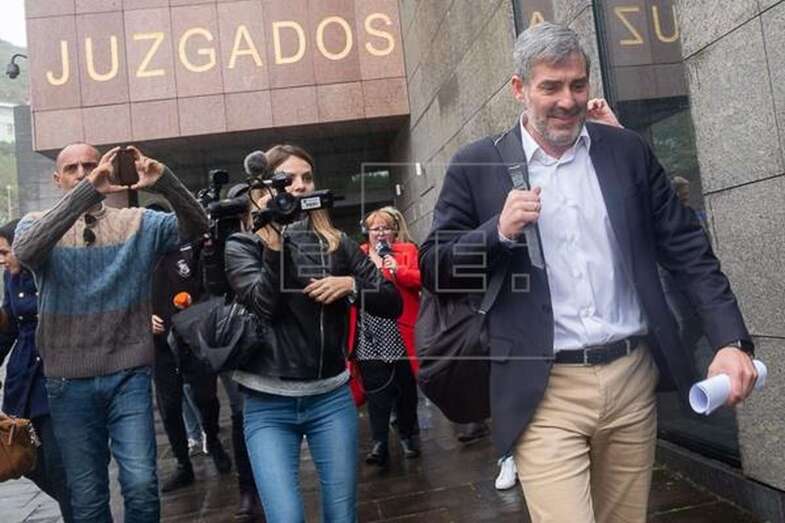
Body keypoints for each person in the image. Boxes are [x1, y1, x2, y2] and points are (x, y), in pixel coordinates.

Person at [419, 22, 757, 523]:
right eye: (550, 86)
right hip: (543, 388)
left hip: (631, 379)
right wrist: (498, 232)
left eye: (578, 84)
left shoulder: (626, 151)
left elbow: (687, 251)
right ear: (519, 88)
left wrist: (731, 340)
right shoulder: (477, 165)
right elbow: (434, 266)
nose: (567, 100)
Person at [12, 143, 208, 522]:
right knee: (87, 498)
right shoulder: (34, 223)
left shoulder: (138, 223)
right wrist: (88, 190)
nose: (84, 172)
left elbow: (198, 227)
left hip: (128, 374)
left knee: (140, 486)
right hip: (68, 382)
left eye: (91, 164)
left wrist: (165, 183)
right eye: (73, 169)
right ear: (58, 180)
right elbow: (26, 251)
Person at [225, 144, 402, 522]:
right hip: (267, 402)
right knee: (286, 516)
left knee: (342, 515)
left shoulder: (337, 242)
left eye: (308, 177)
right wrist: (273, 249)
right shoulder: (243, 245)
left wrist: (350, 284)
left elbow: (392, 302)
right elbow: (264, 306)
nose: (301, 186)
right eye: (288, 179)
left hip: (330, 399)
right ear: (264, 190)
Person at [0, 219, 73, 522]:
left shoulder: (52, 273)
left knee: (58, 464)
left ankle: (82, 512)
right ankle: (84, 506)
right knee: (25, 462)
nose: (1, 260)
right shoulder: (11, 277)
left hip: (56, 379)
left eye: (5, 252)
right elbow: (10, 330)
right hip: (23, 383)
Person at [349, 207, 421, 466]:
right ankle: (379, 443)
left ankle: (407, 435)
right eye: (375, 229)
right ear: (367, 232)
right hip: (369, 331)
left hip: (401, 329)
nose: (380, 233)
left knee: (405, 389)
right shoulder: (358, 255)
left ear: (394, 230)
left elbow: (420, 280)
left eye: (386, 228)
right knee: (376, 389)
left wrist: (398, 269)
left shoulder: (407, 251)